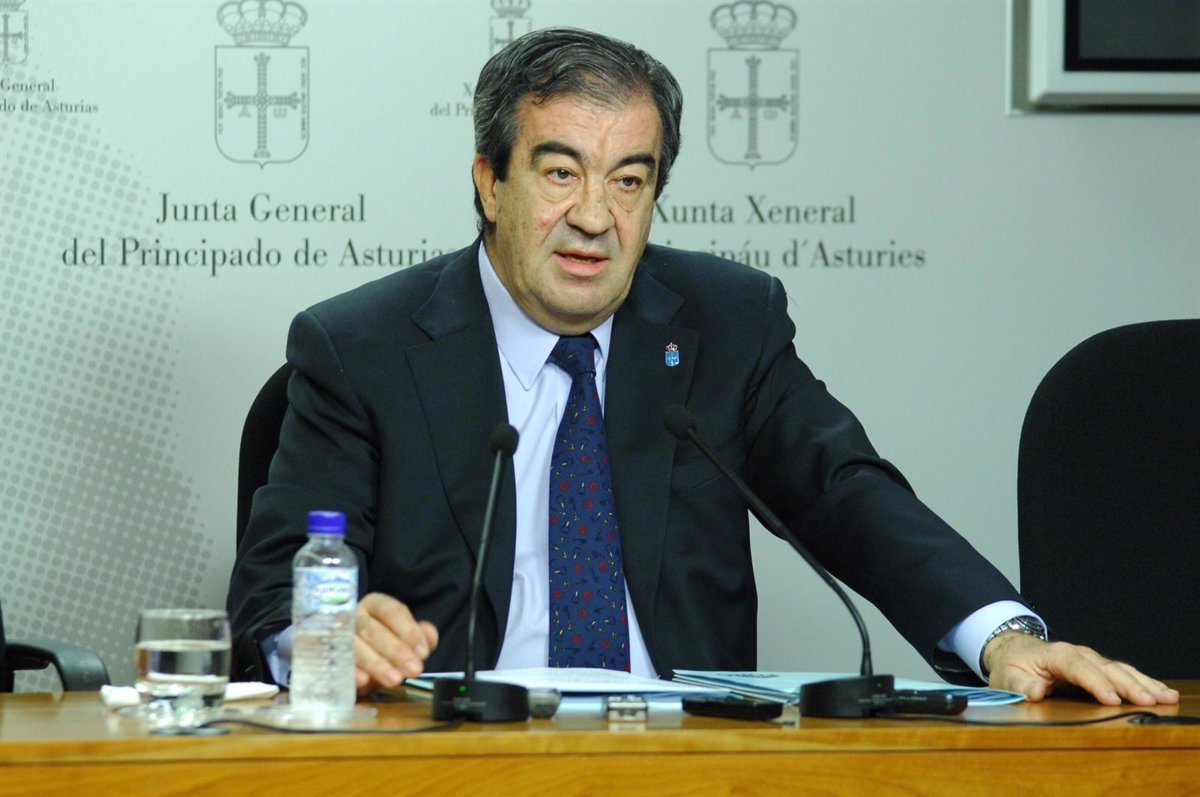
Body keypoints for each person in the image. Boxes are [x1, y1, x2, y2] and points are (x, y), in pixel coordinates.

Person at [228, 27, 1176, 707]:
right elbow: (275, 589)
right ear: (490, 181)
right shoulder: (363, 347)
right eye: (560, 173)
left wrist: (1001, 638)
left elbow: (844, 490)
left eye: (629, 180)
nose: (594, 217)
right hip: (456, 759)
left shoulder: (725, 323)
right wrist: (325, 635)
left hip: (690, 761)